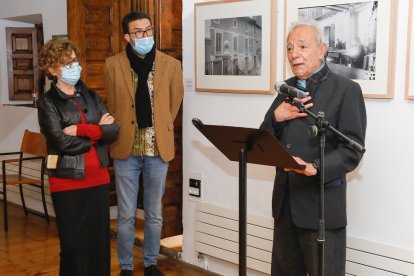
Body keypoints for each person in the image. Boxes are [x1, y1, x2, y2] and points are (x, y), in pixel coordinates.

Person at [260, 20, 366, 276]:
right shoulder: (286, 89)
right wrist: (276, 117)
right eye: (289, 48)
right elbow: (262, 140)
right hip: (285, 206)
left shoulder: (347, 90)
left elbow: (353, 148)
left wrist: (316, 167)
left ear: (322, 49)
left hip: (321, 209)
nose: (293, 53)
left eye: (302, 46)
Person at [104, 11, 184, 276]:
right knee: (126, 215)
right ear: (127, 37)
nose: (145, 36)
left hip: (157, 150)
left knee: (154, 214)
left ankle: (150, 262)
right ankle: (126, 266)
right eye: (138, 32)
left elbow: (173, 106)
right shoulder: (113, 64)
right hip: (126, 151)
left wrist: (159, 126)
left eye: (148, 30)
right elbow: (113, 104)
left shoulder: (171, 65)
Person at [37, 39, 119, 276]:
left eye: (74, 60)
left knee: (98, 244)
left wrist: (83, 130)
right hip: (67, 182)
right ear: (52, 70)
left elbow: (114, 131)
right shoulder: (47, 103)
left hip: (99, 181)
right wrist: (98, 131)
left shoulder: (91, 96)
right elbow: (61, 142)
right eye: (67, 62)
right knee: (73, 245)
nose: (75, 66)